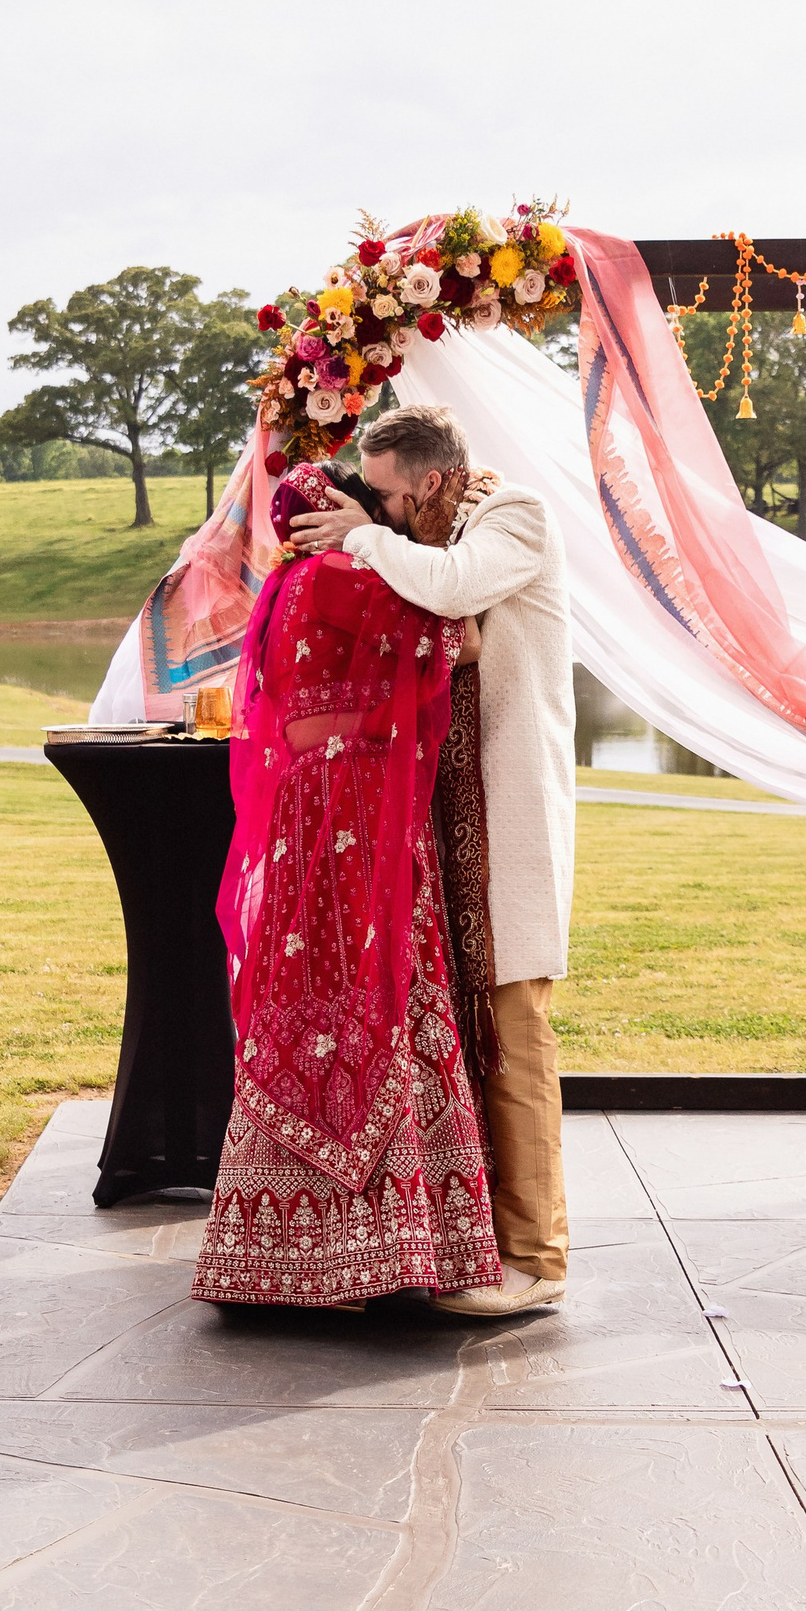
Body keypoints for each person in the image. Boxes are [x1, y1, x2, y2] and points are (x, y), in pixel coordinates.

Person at [191, 462, 503, 1311]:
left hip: (304, 805)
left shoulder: (283, 587)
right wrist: (450, 545)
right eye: (367, 506)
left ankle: (276, 1253)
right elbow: (461, 642)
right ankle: (379, 1250)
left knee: (310, 993)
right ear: (338, 514)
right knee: (385, 985)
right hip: (358, 798)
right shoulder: (342, 572)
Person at [290, 402, 577, 1313]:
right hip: (442, 812)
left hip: (509, 807)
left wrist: (360, 541)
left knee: (512, 1025)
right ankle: (471, 1247)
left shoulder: (514, 515)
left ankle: (539, 1261)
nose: (372, 510)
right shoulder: (420, 534)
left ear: (431, 480)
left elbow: (454, 588)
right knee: (461, 1024)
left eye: (381, 495)